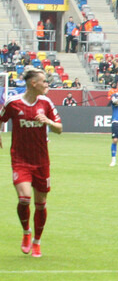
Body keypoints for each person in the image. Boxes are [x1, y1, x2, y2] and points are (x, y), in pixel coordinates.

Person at [0, 67, 62, 257]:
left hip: (41, 161)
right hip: (20, 159)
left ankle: (37, 241)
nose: (46, 85)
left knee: (41, 203)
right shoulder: (14, 103)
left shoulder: (46, 103)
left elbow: (59, 128)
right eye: (44, 81)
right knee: (24, 198)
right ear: (33, 83)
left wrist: (48, 122)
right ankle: (27, 233)